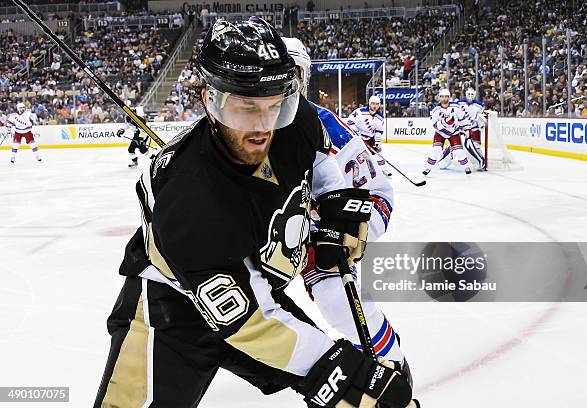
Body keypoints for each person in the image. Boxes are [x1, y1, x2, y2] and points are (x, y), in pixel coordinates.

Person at [95, 18, 415, 408]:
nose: (264, 126)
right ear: (209, 101)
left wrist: (336, 210)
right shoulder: (189, 203)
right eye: (247, 107)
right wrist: (337, 371)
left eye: (275, 104)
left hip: (257, 286)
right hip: (172, 311)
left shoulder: (296, 122)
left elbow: (321, 167)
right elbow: (250, 322)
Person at [283, 36, 408, 365]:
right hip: (286, 221)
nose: (284, 82)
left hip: (341, 219)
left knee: (335, 298)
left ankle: (389, 360)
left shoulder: (321, 125)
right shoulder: (250, 118)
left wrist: (346, 227)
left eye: (292, 73)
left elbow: (371, 192)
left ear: (303, 78)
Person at [423, 88, 472, 175]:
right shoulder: (435, 110)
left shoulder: (456, 107)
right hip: (440, 133)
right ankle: (428, 167)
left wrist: (467, 129)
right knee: (436, 149)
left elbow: (463, 119)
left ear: (449, 97)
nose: (444, 99)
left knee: (458, 151)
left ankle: (466, 167)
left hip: (454, 132)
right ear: (439, 97)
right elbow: (434, 124)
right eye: (442, 97)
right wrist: (445, 123)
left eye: (446, 97)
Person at [439, 87, 485, 170]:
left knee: (476, 146)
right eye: (469, 94)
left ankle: (480, 163)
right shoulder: (459, 103)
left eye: (472, 94)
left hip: (474, 129)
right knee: (454, 146)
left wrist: (481, 122)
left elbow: (483, 116)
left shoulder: (479, 105)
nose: (470, 96)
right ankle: (443, 161)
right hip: (461, 129)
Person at [347, 95, 393, 177]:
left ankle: (383, 169)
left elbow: (379, 130)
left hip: (370, 138)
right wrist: (356, 132)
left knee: (379, 153)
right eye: (373, 103)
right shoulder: (360, 112)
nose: (375, 106)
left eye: (377, 104)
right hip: (358, 137)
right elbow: (350, 121)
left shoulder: (380, 117)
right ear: (369, 104)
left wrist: (377, 139)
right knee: (357, 155)